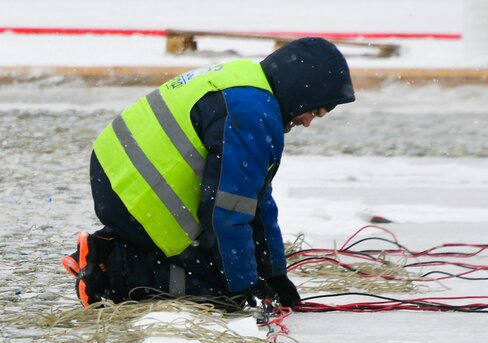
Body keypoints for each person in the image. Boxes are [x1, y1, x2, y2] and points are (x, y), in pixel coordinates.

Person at [61, 37, 355, 308]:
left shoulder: (249, 83)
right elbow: (227, 209)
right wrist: (244, 288)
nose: (307, 123)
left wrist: (274, 274)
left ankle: (115, 246)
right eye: (314, 112)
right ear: (302, 90)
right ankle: (114, 270)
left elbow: (256, 199)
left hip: (117, 170)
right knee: (218, 288)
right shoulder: (253, 114)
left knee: (227, 261)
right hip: (134, 191)